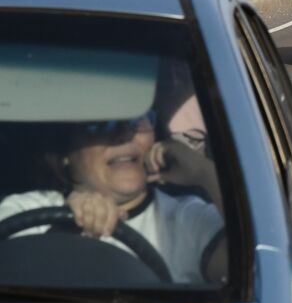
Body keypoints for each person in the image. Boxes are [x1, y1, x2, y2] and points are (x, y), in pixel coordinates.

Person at [0, 112, 223, 283]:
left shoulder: (188, 218)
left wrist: (203, 172)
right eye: (99, 123)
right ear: (65, 153)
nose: (124, 135)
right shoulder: (23, 210)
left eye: (138, 120)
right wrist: (66, 227)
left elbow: (254, 263)